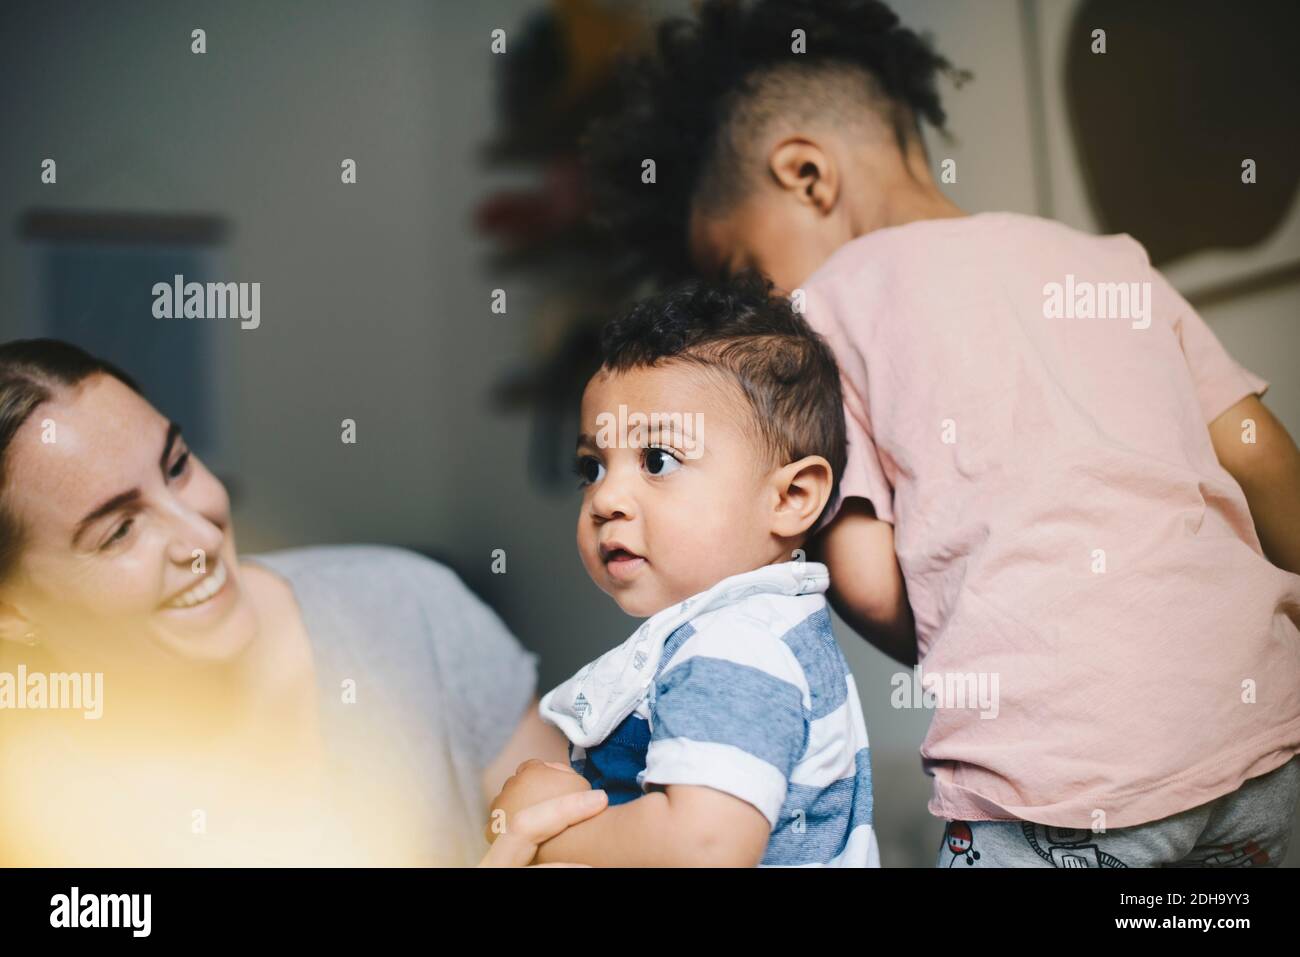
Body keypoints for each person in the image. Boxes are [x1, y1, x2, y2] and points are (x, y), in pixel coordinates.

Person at [583, 0, 1300, 865]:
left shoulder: (820, 317)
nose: (756, 317)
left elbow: (867, 576)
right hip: (1260, 737)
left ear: (807, 174)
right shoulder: (1108, 261)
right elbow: (1262, 457)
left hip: (1059, 775)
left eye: (745, 272)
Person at [0, 338, 567, 865]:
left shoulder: (410, 605)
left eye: (176, 467)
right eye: (119, 530)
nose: (200, 535)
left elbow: (580, 824)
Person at [487, 276, 879, 866]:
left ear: (792, 496)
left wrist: (540, 833)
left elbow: (705, 847)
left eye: (657, 460)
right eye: (592, 467)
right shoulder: (732, 635)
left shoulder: (737, 648)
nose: (605, 499)